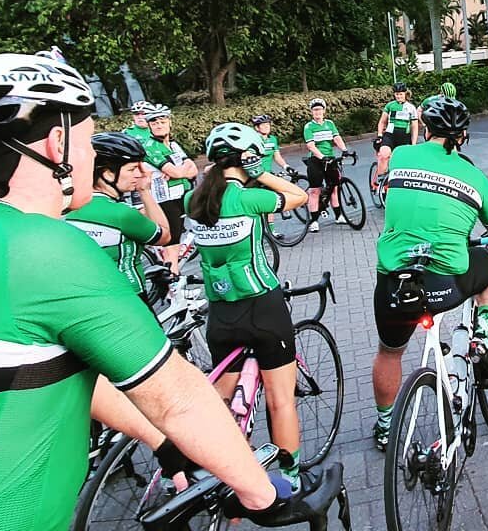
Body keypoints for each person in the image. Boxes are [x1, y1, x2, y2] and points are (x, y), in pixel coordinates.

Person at [0, 53, 290, 530]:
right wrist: (264, 494)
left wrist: (160, 442)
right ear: (58, 143)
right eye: (90, 140)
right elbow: (177, 398)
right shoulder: (43, 247)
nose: (94, 155)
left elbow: (46, 367)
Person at [370, 96, 488, 450]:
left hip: (395, 284)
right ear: (463, 137)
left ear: (427, 129)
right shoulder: (475, 178)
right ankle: (482, 330)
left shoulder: (402, 157)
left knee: (389, 353)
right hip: (446, 285)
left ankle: (386, 426)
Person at [185, 122, 309, 488]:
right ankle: (290, 479)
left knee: (225, 406)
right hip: (263, 306)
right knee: (280, 400)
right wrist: (263, 173)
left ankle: (230, 476)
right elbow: (298, 197)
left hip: (221, 312)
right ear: (248, 159)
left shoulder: (195, 200)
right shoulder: (249, 198)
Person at [66, 132, 170, 300]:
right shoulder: (121, 214)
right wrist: (144, 190)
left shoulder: (69, 207)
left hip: (87, 296)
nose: (138, 174)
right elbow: (164, 236)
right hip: (128, 296)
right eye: (132, 169)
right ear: (108, 174)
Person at [141, 103, 198, 271]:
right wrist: (180, 171)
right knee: (172, 249)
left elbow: (192, 168)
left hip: (182, 195)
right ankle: (174, 293)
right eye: (154, 123)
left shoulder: (173, 144)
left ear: (169, 122)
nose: (159, 125)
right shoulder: (150, 146)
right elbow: (176, 172)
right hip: (166, 199)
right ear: (150, 126)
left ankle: (176, 282)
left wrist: (181, 171)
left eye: (162, 122)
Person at [302, 99, 348, 230]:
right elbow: (310, 145)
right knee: (315, 190)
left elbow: (336, 138)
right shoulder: (309, 127)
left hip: (330, 158)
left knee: (334, 188)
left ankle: (339, 216)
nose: (317, 112)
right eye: (315, 110)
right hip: (316, 160)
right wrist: (322, 157)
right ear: (311, 112)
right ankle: (314, 221)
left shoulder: (329, 124)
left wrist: (344, 150)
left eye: (319, 109)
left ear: (324, 111)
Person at [373, 82, 418, 192]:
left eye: (401, 94)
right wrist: (379, 135)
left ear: (405, 94)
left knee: (402, 163)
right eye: (396, 94)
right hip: (390, 136)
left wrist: (414, 143)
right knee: (383, 155)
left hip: (404, 137)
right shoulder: (390, 106)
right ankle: (381, 184)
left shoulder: (411, 108)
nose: (398, 96)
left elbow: (414, 127)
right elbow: (382, 122)